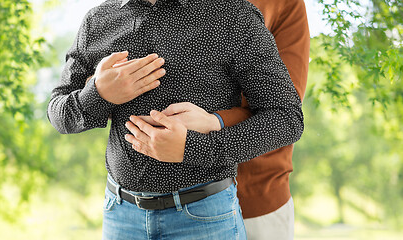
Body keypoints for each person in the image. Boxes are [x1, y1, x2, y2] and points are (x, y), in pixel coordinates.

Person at [46, 0, 304, 239]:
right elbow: (58, 113)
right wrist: (99, 95)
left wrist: (193, 148)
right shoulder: (99, 20)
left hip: (205, 217)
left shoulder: (233, 16)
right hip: (120, 216)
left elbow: (286, 118)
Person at [129, 0, 310, 239]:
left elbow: (282, 108)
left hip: (256, 196)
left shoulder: (281, 4)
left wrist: (214, 121)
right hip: (145, 204)